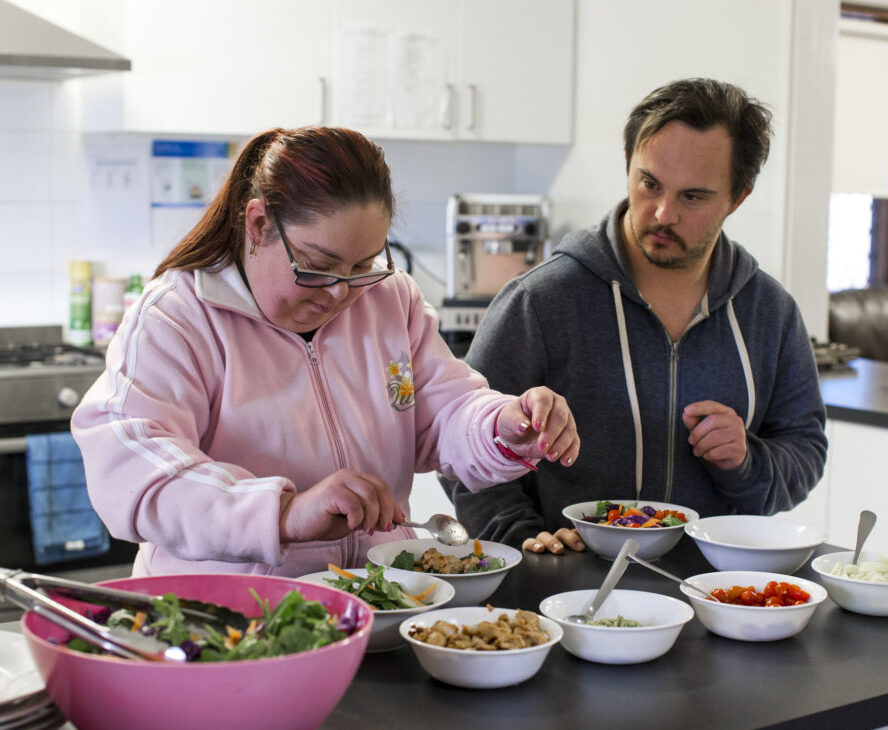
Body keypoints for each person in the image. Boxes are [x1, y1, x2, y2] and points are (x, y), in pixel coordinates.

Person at [71, 126, 579, 577]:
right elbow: (136, 470)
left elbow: (443, 412)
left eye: (362, 266)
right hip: (229, 621)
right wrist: (284, 514)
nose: (340, 293)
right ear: (258, 224)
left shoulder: (389, 298)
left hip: (375, 604)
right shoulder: (177, 316)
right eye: (317, 265)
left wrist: (503, 424)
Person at [442, 78, 828, 554]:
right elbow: (463, 445)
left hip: (717, 591)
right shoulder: (541, 301)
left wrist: (746, 461)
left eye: (693, 197)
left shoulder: (771, 312)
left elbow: (805, 450)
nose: (664, 213)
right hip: (566, 595)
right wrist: (524, 539)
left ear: (738, 197)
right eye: (649, 183)